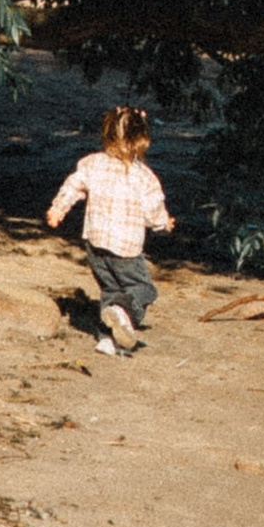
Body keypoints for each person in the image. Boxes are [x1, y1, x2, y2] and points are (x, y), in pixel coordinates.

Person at [46, 104, 173, 354]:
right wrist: (163, 223)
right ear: (141, 140)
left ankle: (107, 339)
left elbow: (73, 186)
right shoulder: (144, 177)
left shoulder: (91, 164)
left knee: (110, 289)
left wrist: (58, 208)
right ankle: (122, 313)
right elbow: (153, 210)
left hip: (95, 241)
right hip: (125, 248)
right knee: (142, 289)